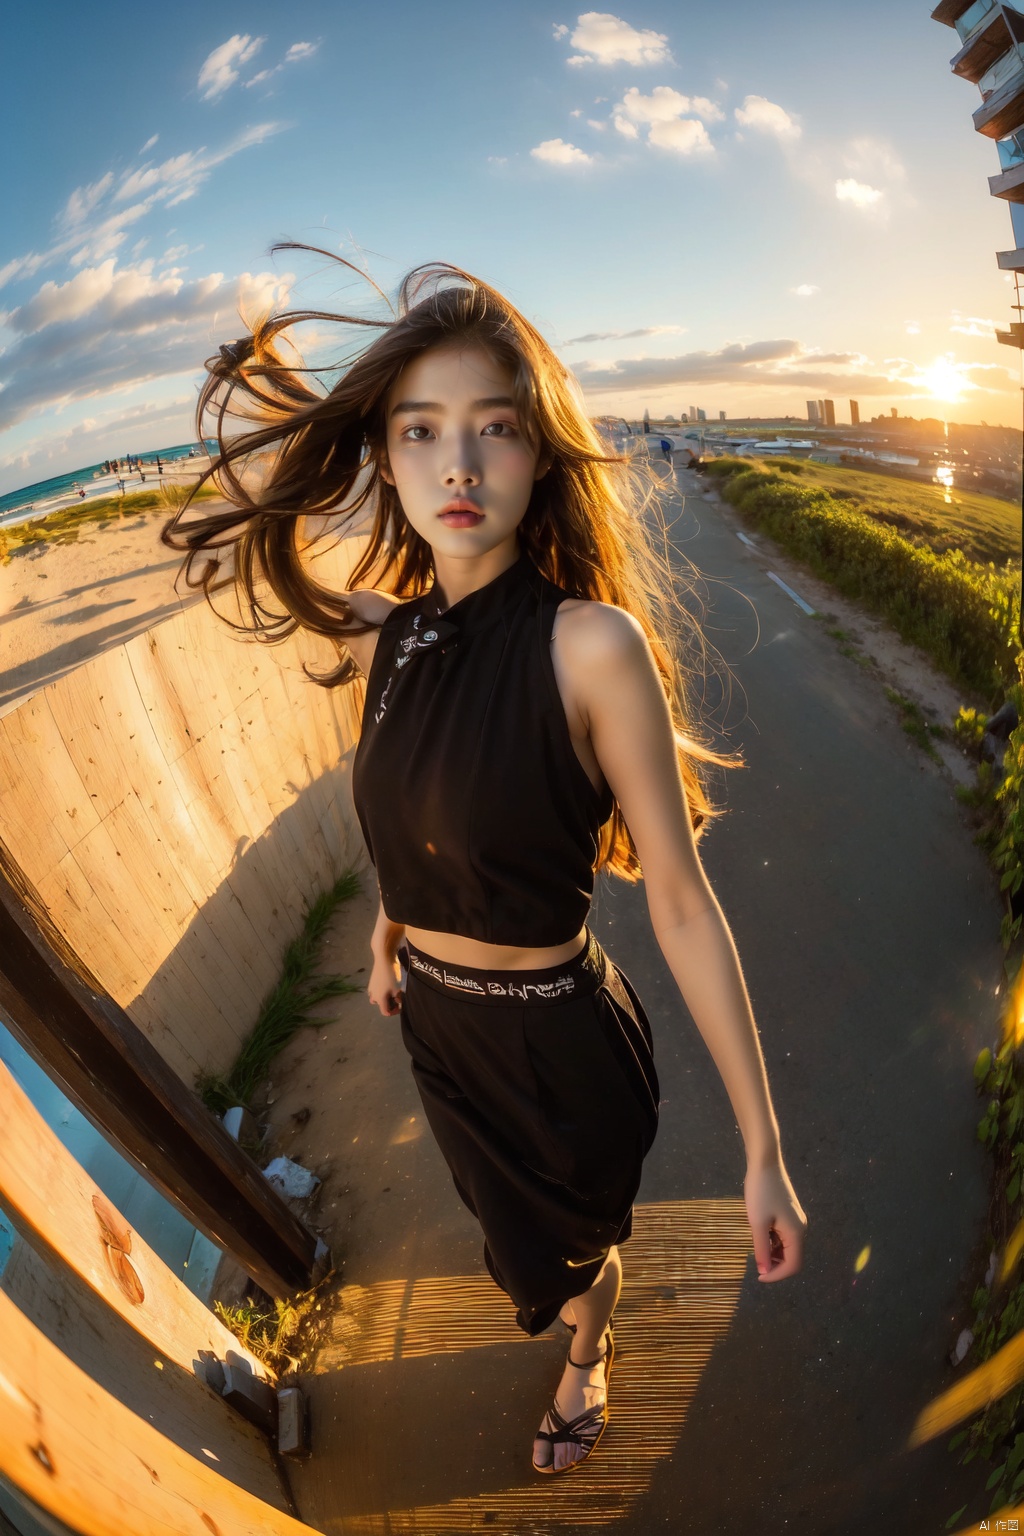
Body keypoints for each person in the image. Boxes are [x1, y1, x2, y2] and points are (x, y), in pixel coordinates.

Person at [163, 249, 806, 1477]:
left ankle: (586, 1360)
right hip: (441, 1035)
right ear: (385, 455)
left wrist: (762, 1152)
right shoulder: (386, 640)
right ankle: (571, 1325)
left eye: (494, 429)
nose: (456, 465)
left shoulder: (590, 647)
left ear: (537, 453)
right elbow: (410, 804)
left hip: (556, 1046)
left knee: (572, 1258)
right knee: (514, 1249)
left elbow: (677, 902)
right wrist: (389, 932)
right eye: (417, 432)